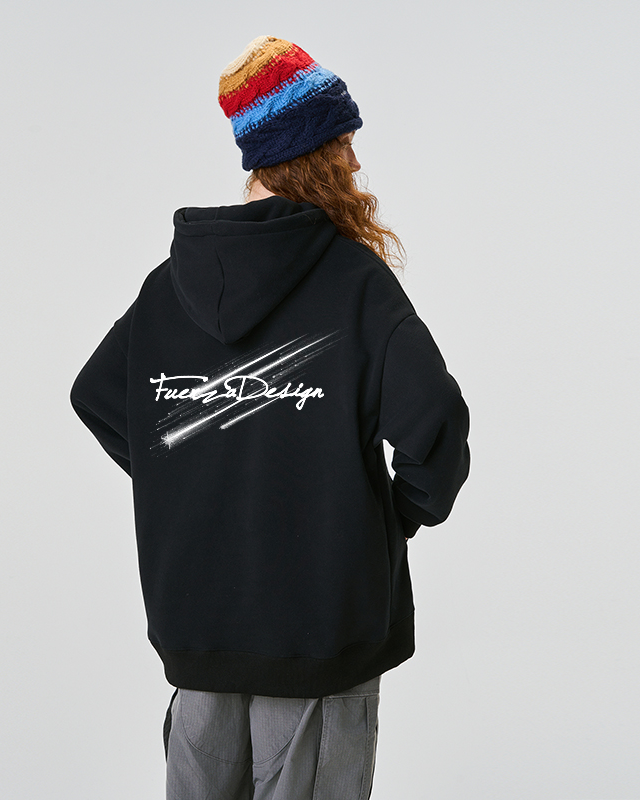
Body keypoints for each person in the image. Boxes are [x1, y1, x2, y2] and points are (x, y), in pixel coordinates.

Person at [70, 35, 470, 800]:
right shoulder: (355, 284)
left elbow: (98, 396)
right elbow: (437, 431)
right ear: (310, 154)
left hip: (198, 628)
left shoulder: (167, 287)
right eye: (344, 142)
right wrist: (389, 515)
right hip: (322, 628)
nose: (355, 161)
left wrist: (184, 475)